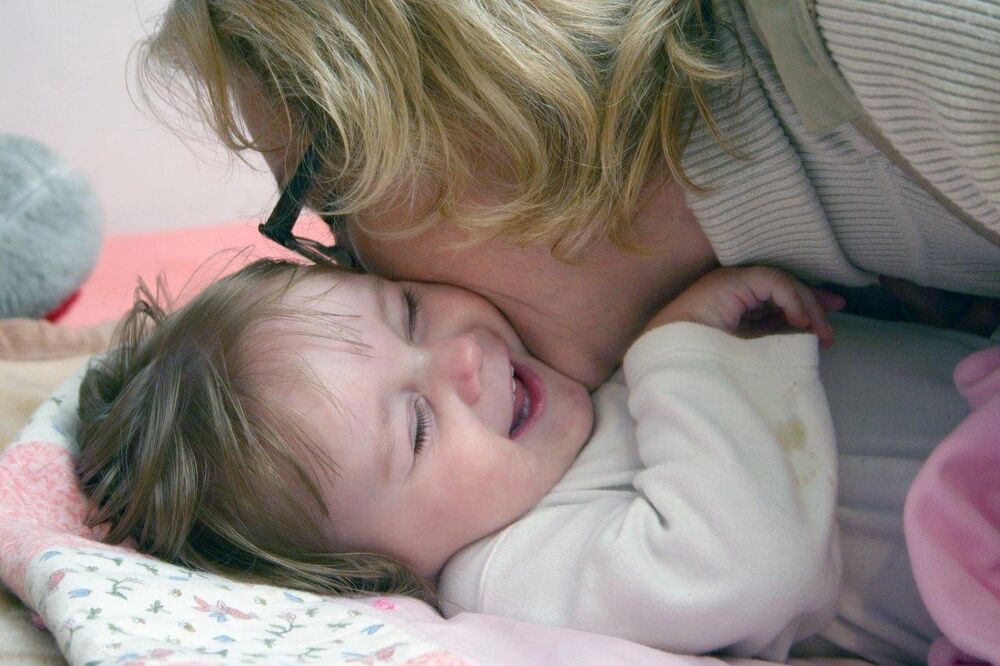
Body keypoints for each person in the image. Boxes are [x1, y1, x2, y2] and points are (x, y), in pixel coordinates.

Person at [77, 257, 952, 662]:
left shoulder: (553, 408)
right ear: (369, 570)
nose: (462, 358)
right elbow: (741, 573)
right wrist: (685, 347)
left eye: (410, 312)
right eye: (417, 428)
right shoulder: (506, 572)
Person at [138, 0, 1000, 389]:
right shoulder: (788, 287)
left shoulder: (911, 40)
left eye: (328, 204)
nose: (357, 271)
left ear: (451, 91)